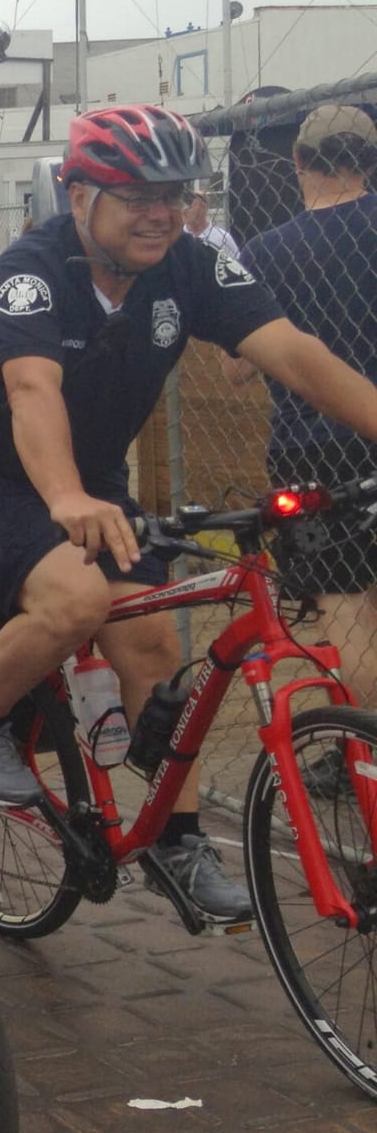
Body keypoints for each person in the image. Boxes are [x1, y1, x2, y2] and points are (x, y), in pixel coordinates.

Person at [0, 103, 377, 926]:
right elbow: (31, 388)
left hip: (89, 480)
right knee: (78, 600)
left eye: (173, 192)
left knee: (155, 638)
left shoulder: (187, 266)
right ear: (77, 191)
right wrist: (62, 498)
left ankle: (176, 838)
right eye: (135, 195)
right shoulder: (30, 270)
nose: (160, 212)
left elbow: (293, 352)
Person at [226, 104, 377, 708]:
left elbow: (234, 370)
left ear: (297, 162)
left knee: (341, 607)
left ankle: (362, 756)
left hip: (309, 448)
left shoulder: (266, 251)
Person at [184, 190, 241, 258]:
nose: (184, 209)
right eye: (183, 205)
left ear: (203, 207)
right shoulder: (176, 236)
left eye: (189, 205)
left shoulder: (222, 238)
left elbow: (238, 263)